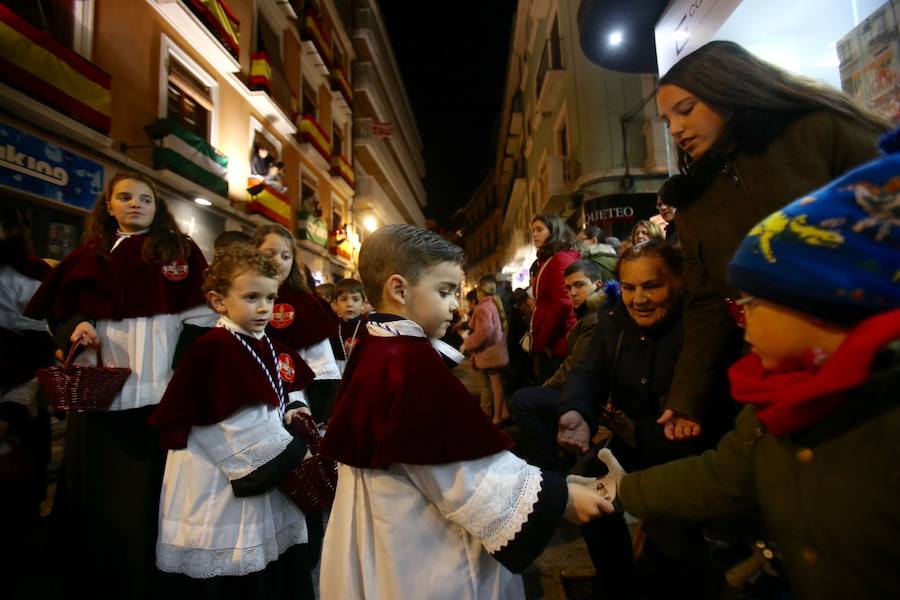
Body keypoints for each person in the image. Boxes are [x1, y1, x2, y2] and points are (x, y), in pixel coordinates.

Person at [593, 139, 900, 599]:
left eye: (754, 303)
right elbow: (724, 475)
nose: (741, 319)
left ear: (819, 301)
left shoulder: (883, 416)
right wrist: (625, 490)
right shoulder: (777, 398)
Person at [319, 224, 612, 599]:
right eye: (444, 291)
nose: (457, 304)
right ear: (398, 289)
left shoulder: (378, 345)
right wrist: (559, 499)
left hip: (390, 525)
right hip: (420, 546)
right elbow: (461, 476)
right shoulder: (406, 364)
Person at [654, 40, 887, 443]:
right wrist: (687, 395)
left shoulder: (815, 131)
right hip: (779, 371)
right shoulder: (694, 205)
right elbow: (707, 304)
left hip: (875, 348)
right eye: (666, 121)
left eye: (686, 110)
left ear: (727, 89)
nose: (675, 129)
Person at [24, 172, 216, 599]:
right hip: (100, 393)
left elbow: (201, 323)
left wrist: (182, 381)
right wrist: (78, 327)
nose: (135, 204)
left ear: (157, 206)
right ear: (108, 204)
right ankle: (94, 570)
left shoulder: (180, 252)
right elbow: (60, 311)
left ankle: (147, 576)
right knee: (96, 490)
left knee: (150, 493)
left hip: (158, 393)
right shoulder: (90, 254)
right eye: (125, 197)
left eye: (145, 198)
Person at [149, 244, 317, 599]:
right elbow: (227, 422)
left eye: (270, 298)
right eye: (252, 297)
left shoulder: (262, 341)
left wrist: (291, 410)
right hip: (219, 473)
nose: (264, 308)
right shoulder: (214, 347)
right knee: (234, 565)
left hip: (263, 462)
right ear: (218, 301)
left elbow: (279, 388)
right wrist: (296, 451)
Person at [555, 242, 710, 598]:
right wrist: (575, 411)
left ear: (679, 282)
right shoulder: (613, 322)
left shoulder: (698, 329)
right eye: (629, 287)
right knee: (584, 491)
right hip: (629, 442)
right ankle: (617, 583)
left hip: (682, 452)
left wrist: (640, 433)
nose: (638, 298)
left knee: (673, 547)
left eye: (651, 286)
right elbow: (586, 373)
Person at [0, 205, 55, 577]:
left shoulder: (31, 275)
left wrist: (13, 409)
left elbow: (40, 348)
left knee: (17, 495)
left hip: (17, 388)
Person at [510, 260, 606, 472]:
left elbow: (576, 364)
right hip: (583, 389)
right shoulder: (588, 314)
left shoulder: (596, 317)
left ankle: (547, 468)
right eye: (568, 287)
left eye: (579, 285)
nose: (572, 292)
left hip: (590, 394)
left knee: (522, 400)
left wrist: (547, 386)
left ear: (598, 284)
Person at [252, 225, 340, 423]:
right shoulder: (239, 299)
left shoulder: (305, 304)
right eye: (269, 254)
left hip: (294, 400)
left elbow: (321, 364)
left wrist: (318, 411)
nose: (277, 261)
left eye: (285, 256)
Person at [529, 213, 580, 381]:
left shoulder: (559, 259)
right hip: (553, 342)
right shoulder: (550, 259)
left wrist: (542, 340)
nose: (534, 234)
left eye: (539, 229)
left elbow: (562, 303)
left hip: (558, 343)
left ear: (554, 231)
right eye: (533, 230)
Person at [462, 279, 510, 425]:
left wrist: (467, 342)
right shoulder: (495, 304)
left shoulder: (483, 307)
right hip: (497, 352)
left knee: (494, 387)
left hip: (489, 353)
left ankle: (496, 418)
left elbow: (484, 332)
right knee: (498, 385)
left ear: (480, 292)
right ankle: (504, 413)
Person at [329, 277, 368, 374]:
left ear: (363, 303)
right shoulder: (332, 327)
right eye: (343, 299)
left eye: (355, 299)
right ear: (336, 303)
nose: (350, 304)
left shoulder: (369, 327)